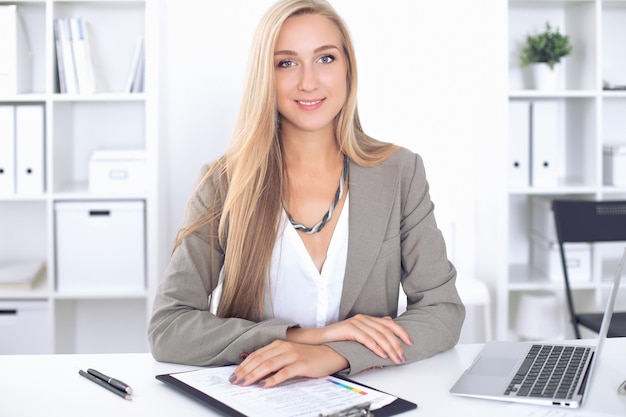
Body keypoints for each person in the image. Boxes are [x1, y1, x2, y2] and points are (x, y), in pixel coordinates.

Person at [148, 0, 465, 389]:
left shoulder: (399, 172)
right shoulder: (225, 183)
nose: (309, 82)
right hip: (257, 398)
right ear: (265, 76)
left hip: (369, 399)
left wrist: (332, 355)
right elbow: (169, 327)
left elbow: (442, 311)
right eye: (287, 63)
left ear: (348, 66)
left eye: (326, 58)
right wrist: (305, 338)